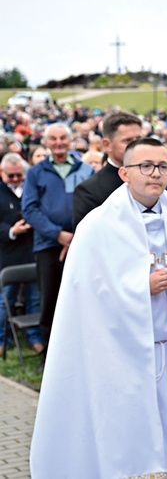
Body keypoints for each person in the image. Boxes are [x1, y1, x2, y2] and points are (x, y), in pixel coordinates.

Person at [30, 138, 167, 478]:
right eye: (146, 166)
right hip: (118, 356)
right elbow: (85, 297)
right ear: (124, 172)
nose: (157, 174)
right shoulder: (97, 226)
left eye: (164, 167)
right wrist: (141, 287)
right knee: (124, 444)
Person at [21, 123, 93, 350]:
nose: (59, 143)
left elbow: (92, 206)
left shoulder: (85, 170)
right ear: (47, 142)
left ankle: (80, 355)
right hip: (48, 247)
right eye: (54, 139)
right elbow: (30, 209)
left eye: (63, 138)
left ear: (70, 140)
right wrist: (58, 235)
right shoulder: (35, 172)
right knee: (50, 304)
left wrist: (75, 238)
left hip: (81, 246)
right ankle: (49, 361)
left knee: (82, 303)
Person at [0, 153, 43, 356]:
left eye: (19, 175)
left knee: (34, 298)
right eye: (12, 176)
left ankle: (34, 336)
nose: (16, 179)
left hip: (31, 251)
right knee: (4, 300)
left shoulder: (30, 188)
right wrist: (11, 231)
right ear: (2, 172)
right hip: (7, 255)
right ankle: (2, 338)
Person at [72, 111, 142, 228]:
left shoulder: (153, 180)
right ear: (107, 145)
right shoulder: (89, 191)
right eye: (128, 141)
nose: (136, 146)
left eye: (139, 139)